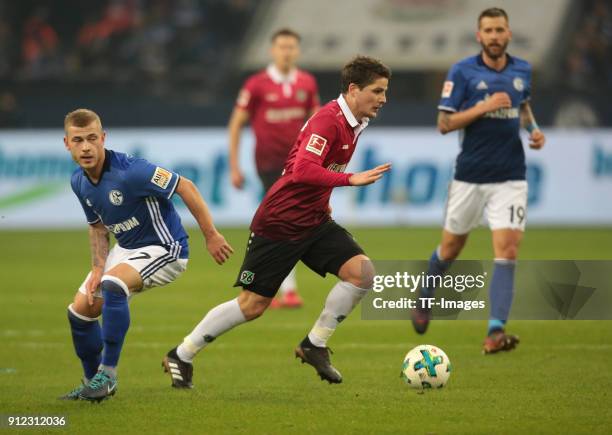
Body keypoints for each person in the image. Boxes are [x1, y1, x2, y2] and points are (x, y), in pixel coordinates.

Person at [163, 56, 391, 387]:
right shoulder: (328, 120)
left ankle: (314, 344)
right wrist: (350, 180)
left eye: (385, 91)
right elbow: (302, 170)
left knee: (362, 274)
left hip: (312, 220)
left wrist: (324, 203)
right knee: (253, 305)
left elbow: (319, 172)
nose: (383, 98)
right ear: (354, 90)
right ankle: (181, 354)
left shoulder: (355, 122)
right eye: (378, 91)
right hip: (280, 223)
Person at [61, 109, 233, 401]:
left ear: (103, 138)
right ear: (67, 144)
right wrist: (97, 267)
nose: (86, 147)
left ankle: (109, 374)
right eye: (78, 140)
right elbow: (98, 226)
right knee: (80, 312)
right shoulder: (79, 181)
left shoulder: (132, 171)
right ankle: (93, 383)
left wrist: (211, 234)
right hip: (126, 250)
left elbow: (185, 186)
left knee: (113, 286)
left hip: (166, 247)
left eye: (92, 138)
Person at [411, 7, 546, 354]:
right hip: (470, 176)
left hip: (511, 177)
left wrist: (533, 130)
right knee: (451, 249)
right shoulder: (463, 72)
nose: (495, 36)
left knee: (508, 250)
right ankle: (425, 295)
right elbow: (444, 124)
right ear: (479, 36)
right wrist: (482, 108)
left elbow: (523, 107)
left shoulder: (522, 70)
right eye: (488, 30)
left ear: (509, 34)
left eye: (500, 29)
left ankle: (495, 330)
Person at [228, 28, 320, 309]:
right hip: (269, 164)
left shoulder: (306, 82)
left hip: (301, 164)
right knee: (284, 221)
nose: (287, 51)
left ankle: (280, 287)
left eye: (291, 47)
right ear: (272, 50)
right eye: (282, 46)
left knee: (289, 221)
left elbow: (317, 121)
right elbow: (236, 124)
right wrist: (234, 165)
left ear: (298, 51)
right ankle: (284, 288)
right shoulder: (256, 84)